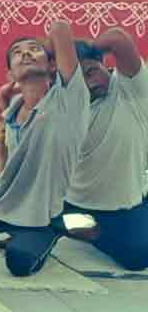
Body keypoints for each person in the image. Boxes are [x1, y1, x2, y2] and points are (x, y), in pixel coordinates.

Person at [0, 20, 89, 276]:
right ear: (10, 74)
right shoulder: (13, 109)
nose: (25, 53)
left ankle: (53, 231)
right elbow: (4, 165)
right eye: (17, 52)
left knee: (18, 262)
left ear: (52, 65)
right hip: (0, 202)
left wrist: (47, 48)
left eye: (34, 50)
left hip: (40, 214)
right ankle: (10, 228)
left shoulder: (68, 99)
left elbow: (60, 28)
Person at [63, 30, 148, 270]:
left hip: (125, 205)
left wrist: (86, 48)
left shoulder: (129, 90)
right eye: (79, 80)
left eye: (91, 72)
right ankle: (85, 230)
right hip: (75, 203)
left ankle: (95, 233)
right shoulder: (67, 106)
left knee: (138, 256)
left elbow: (118, 39)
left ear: (105, 66)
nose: (89, 83)